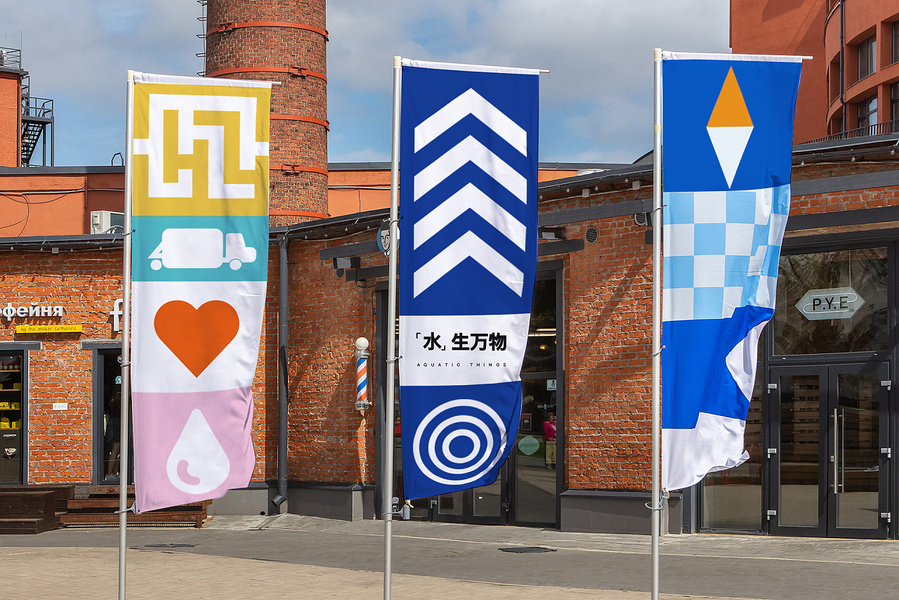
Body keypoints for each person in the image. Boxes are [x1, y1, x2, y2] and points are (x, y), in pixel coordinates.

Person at [104, 395, 121, 480]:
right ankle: (109, 473)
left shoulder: (112, 402)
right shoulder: (114, 402)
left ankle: (114, 472)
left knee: (118, 452)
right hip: (116, 426)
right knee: (115, 450)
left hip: (115, 425)